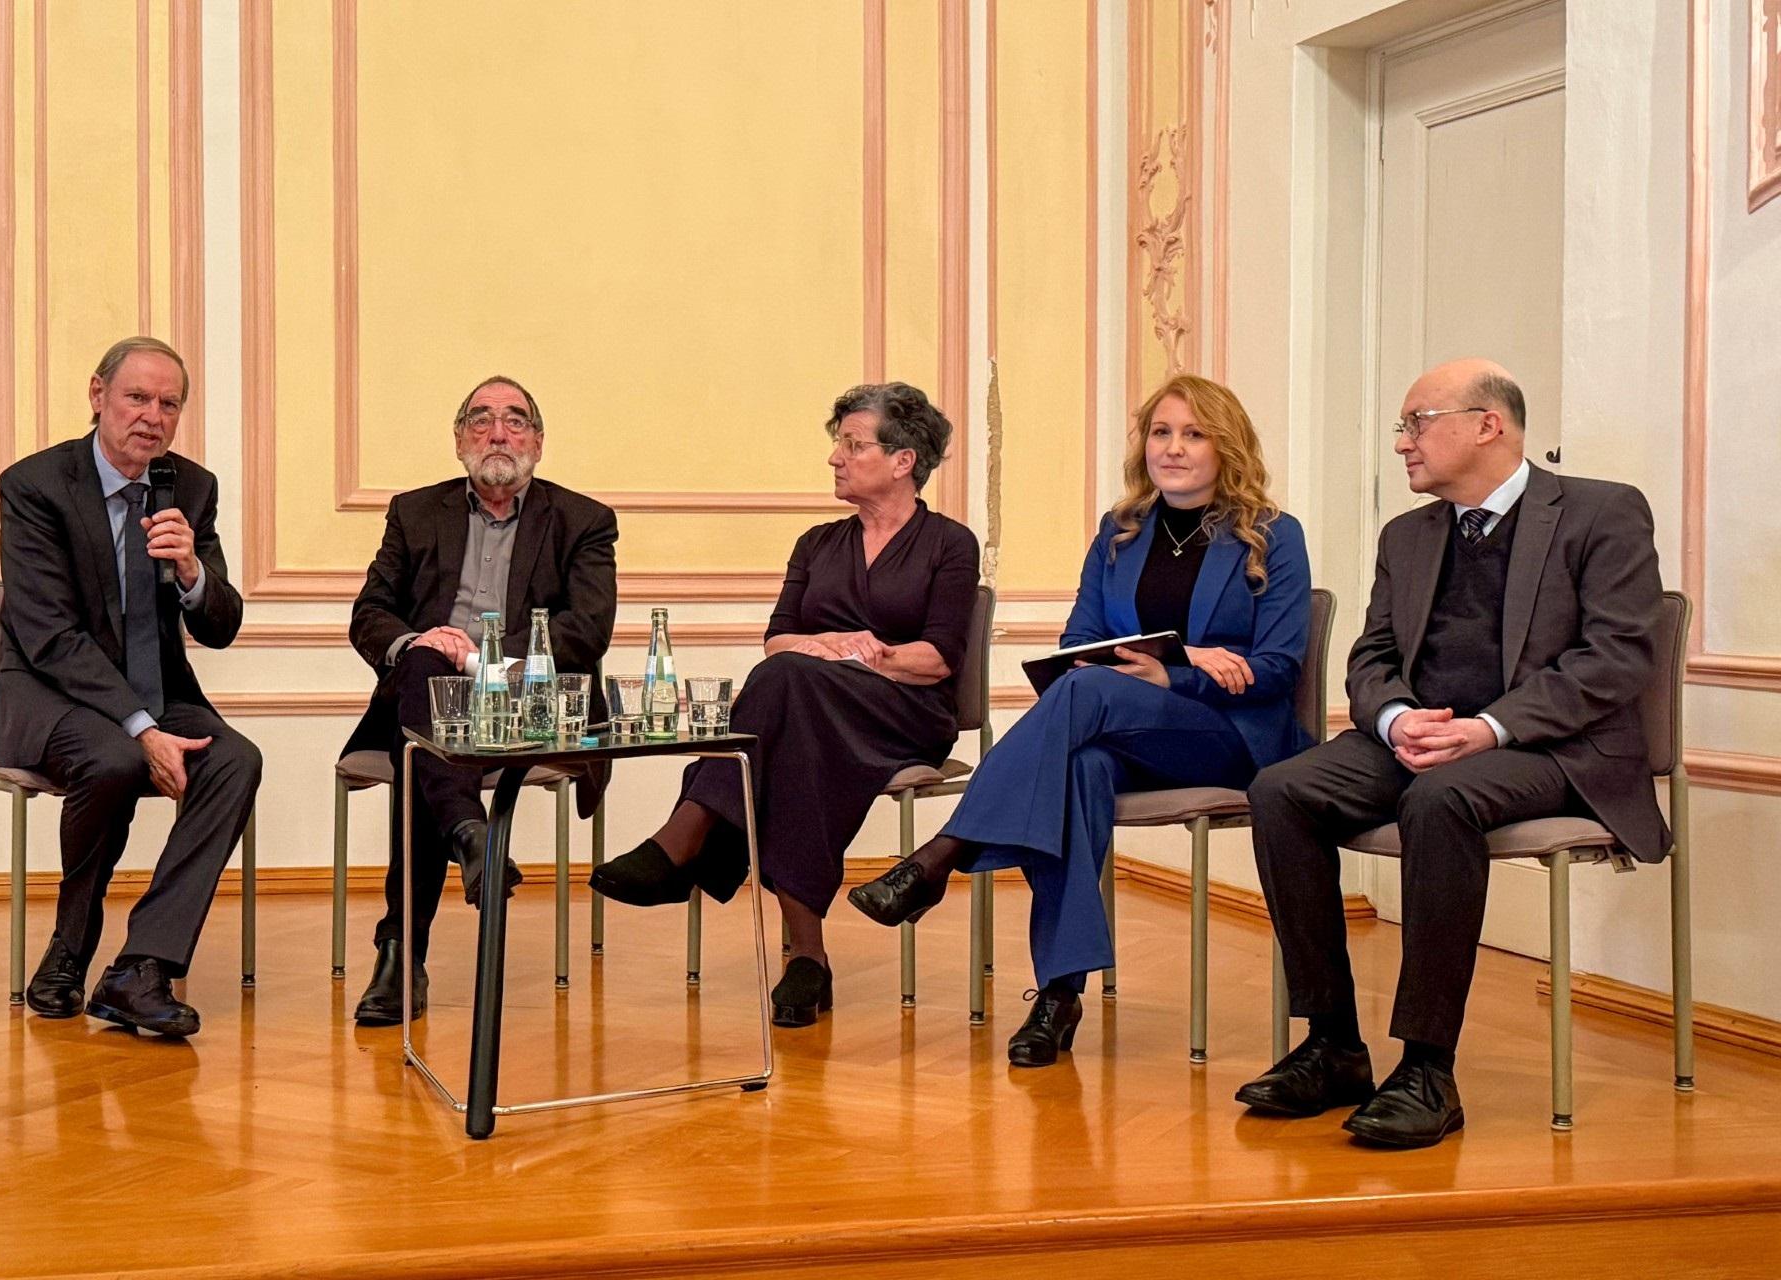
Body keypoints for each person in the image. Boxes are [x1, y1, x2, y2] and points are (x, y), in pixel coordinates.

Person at [1238, 358, 1666, 1149]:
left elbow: (1617, 657)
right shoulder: (1408, 535)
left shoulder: (1601, 514)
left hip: (1550, 747)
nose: (1402, 442)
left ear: (1487, 424)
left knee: (1439, 800)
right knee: (1280, 791)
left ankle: (1427, 1067)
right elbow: (1371, 656)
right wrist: (1397, 718)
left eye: (1416, 422)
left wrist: (1490, 728)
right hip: (1423, 736)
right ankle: (1334, 1044)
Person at [848, 374, 1312, 1067]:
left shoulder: (1272, 536)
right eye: (1161, 432)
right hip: (1124, 733)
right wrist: (1168, 663)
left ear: (1226, 446)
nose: (1174, 448)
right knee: (1080, 765)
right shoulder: (1120, 534)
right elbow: (1082, 642)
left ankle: (943, 854)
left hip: (1227, 739)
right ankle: (1059, 995)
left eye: (1193, 434)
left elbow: (1277, 667)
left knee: (1083, 699)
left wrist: (1175, 672)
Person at [590, 383, 979, 1027]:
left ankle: (687, 839)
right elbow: (779, 639)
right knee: (794, 725)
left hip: (904, 714)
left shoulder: (948, 544)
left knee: (786, 689)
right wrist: (823, 646)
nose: (835, 457)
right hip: (813, 709)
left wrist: (860, 656)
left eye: (853, 445)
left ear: (903, 460)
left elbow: (938, 659)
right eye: (839, 444)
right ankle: (807, 960)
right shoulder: (816, 543)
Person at [0, 335, 262, 1038]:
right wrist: (142, 729)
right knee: (112, 758)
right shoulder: (35, 485)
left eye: (168, 404)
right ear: (98, 396)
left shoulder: (190, 487)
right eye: (137, 397)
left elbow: (224, 625)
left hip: (154, 686)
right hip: (52, 693)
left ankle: (141, 968)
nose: (152, 416)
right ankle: (68, 950)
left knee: (235, 759)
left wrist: (196, 572)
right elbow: (49, 636)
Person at [342, 374, 617, 1026]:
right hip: (430, 697)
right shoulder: (414, 512)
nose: (498, 433)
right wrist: (424, 645)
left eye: (515, 420)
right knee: (421, 678)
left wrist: (475, 658)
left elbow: (586, 630)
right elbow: (370, 614)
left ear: (539, 442)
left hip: (533, 704)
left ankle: (400, 950)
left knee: (422, 742)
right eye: (481, 420)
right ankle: (469, 833)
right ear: (459, 439)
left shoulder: (583, 520)